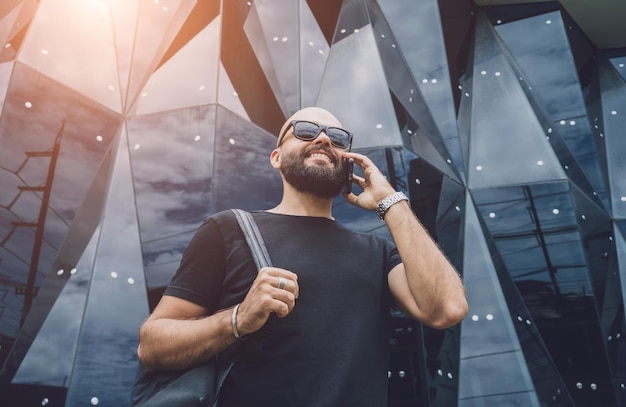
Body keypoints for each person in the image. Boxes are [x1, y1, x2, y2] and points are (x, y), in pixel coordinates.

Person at [136, 107, 468, 406]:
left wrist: (392, 203)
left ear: (349, 159)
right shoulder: (228, 229)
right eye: (305, 130)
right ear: (276, 157)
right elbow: (152, 346)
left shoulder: (379, 253)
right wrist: (237, 319)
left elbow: (447, 310)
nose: (323, 138)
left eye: (338, 137)